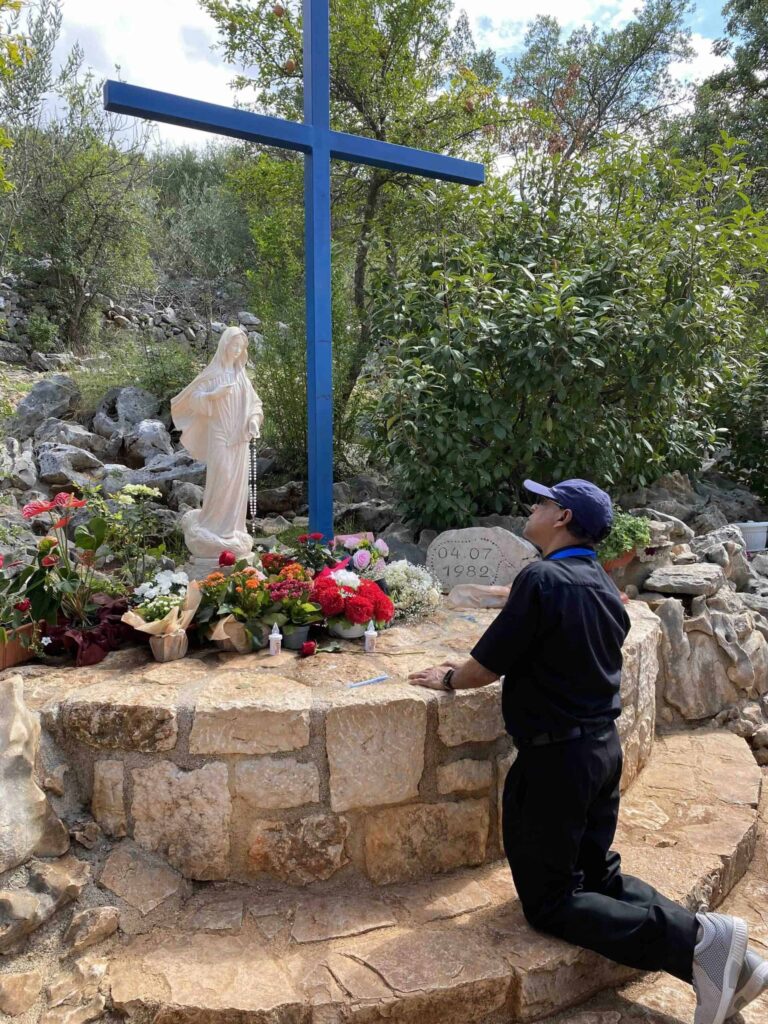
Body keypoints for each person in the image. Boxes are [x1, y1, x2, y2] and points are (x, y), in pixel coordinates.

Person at [409, 478, 768, 1024]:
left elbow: (487, 666)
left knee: (551, 901)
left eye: (542, 502)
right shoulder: (599, 581)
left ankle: (698, 941)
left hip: (555, 762)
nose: (533, 508)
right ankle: (730, 958)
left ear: (562, 518)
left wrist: (450, 678)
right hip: (600, 749)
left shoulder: (542, 578)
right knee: (596, 876)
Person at [171, 326, 263, 560]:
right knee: (222, 477)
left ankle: (232, 530)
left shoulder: (241, 375)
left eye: (241, 347)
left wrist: (253, 421)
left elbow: (255, 404)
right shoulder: (212, 374)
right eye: (234, 345)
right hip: (220, 434)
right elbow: (192, 399)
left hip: (240, 439)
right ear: (224, 345)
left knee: (237, 485)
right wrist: (213, 395)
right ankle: (212, 525)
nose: (237, 350)